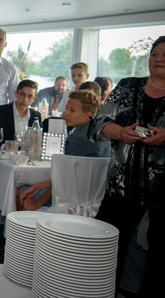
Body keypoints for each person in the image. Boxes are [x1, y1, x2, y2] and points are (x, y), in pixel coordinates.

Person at [90, 36, 165, 294]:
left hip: (161, 194)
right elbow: (98, 124)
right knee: (105, 254)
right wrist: (121, 133)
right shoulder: (127, 87)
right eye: (155, 53)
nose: (160, 59)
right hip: (120, 189)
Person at [17, 90, 110, 211]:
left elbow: (64, 180)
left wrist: (37, 203)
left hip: (71, 200)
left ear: (87, 115)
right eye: (66, 108)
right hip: (97, 201)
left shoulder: (76, 139)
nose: (65, 113)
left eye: (72, 110)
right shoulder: (103, 135)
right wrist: (40, 185)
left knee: (21, 192)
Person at [0, 79, 42, 151]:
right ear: (16, 94)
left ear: (34, 99)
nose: (25, 99)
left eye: (29, 96)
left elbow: (38, 141)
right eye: (22, 94)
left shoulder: (36, 116)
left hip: (26, 157)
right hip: (3, 156)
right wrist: (4, 147)